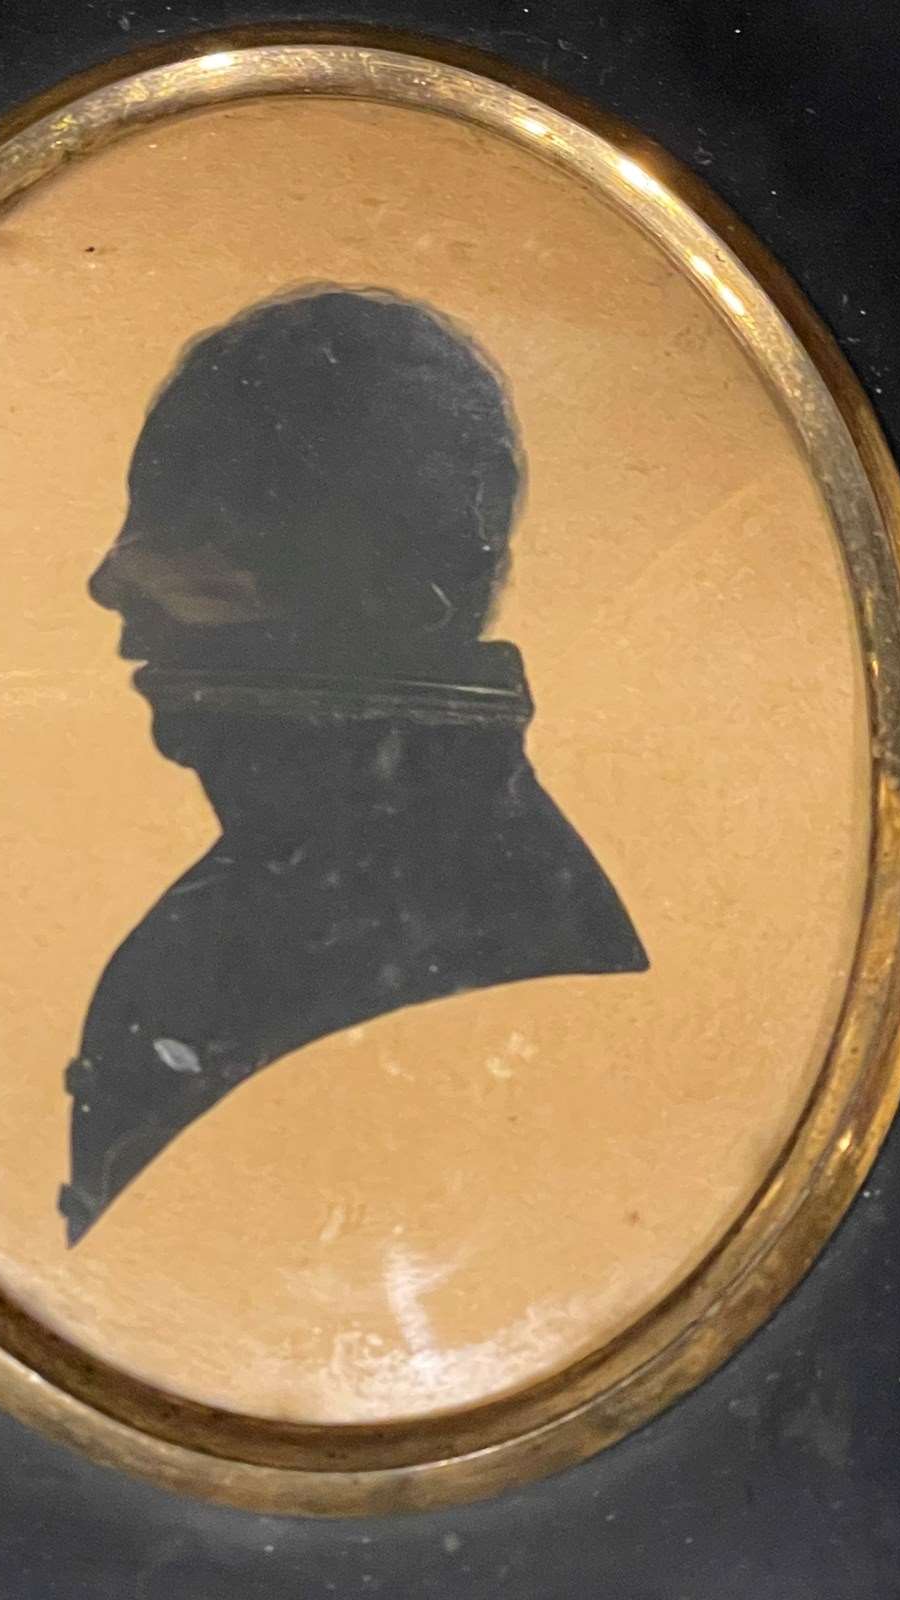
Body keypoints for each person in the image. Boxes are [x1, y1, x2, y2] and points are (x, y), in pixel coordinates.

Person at [59, 287, 645, 1245]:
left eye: (200, 532)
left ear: (388, 598)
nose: (114, 582)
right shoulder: (317, 904)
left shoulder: (474, 948)